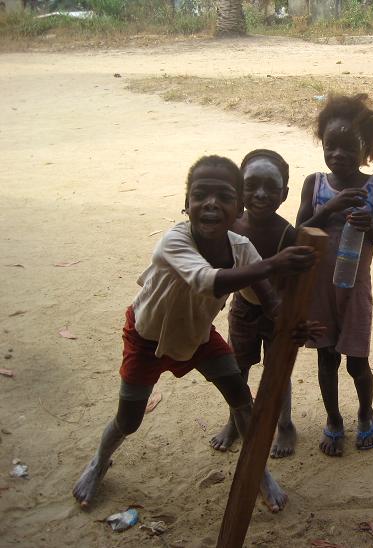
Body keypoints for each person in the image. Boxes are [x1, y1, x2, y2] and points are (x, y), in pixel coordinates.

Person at [72, 155, 319, 512]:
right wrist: (273, 263)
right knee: (129, 419)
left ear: (238, 208)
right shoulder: (174, 240)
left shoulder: (241, 248)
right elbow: (206, 280)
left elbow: (269, 301)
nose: (211, 203)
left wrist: (293, 326)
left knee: (241, 398)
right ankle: (98, 463)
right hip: (147, 339)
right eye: (200, 194)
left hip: (199, 337)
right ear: (186, 203)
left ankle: (259, 473)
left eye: (224, 197)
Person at [296, 93, 373, 456]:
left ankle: (366, 413)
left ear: (367, 148)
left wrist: (371, 226)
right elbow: (299, 233)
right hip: (319, 290)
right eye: (330, 146)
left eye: (348, 147)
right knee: (326, 358)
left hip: (355, 290)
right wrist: (330, 209)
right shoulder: (315, 184)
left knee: (357, 362)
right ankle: (334, 418)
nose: (338, 154)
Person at [209, 149, 299, 458]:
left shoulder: (287, 233)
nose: (261, 194)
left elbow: (293, 281)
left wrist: (288, 317)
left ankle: (284, 424)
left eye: (271, 187)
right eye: (252, 185)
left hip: (278, 313)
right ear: (239, 189)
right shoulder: (232, 225)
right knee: (238, 369)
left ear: (284, 194)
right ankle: (235, 422)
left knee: (278, 371)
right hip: (243, 308)